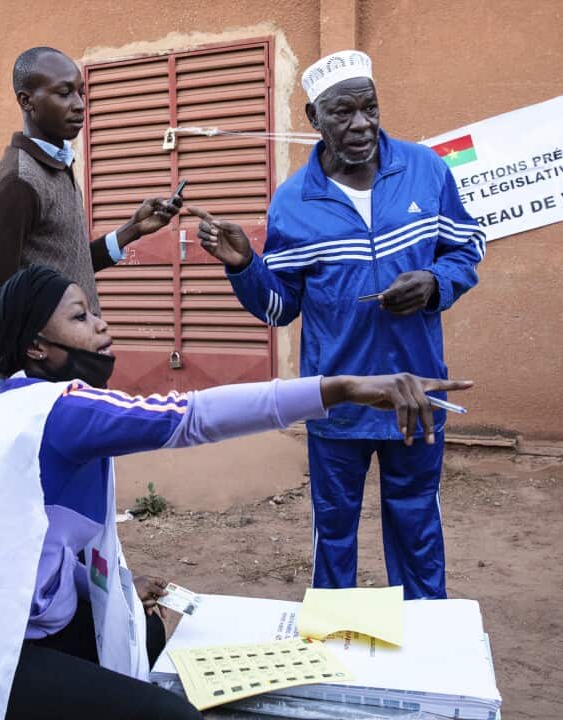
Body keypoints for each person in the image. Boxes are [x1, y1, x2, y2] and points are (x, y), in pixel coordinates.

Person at [0, 264, 470, 720]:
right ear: (37, 347)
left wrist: (110, 589)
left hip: (22, 623)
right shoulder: (62, 411)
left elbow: (33, 549)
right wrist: (339, 388)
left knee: (151, 635)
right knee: (170, 711)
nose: (102, 326)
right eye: (82, 317)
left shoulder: (16, 400)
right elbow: (190, 415)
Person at [191, 50, 485, 600]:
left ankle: (423, 639)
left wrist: (435, 282)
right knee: (335, 537)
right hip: (335, 402)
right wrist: (243, 267)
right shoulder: (294, 203)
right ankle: (336, 644)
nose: (361, 125)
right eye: (343, 113)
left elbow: (466, 248)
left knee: (418, 526)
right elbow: (281, 308)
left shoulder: (426, 169)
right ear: (313, 119)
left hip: (416, 393)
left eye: (369, 109)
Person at [0, 46, 181, 312]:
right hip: (53, 353)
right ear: (26, 101)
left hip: (82, 348)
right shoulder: (17, 183)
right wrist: (38, 348)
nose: (79, 105)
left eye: (81, 93)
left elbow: (67, 264)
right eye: (64, 93)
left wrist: (132, 229)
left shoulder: (58, 164)